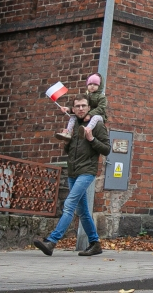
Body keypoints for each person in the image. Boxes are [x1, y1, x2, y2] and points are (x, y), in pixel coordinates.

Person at [33, 94, 110, 256]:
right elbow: (68, 152)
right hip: (73, 172)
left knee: (69, 205)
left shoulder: (97, 125)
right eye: (77, 106)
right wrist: (66, 141)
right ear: (73, 109)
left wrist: (91, 138)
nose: (80, 109)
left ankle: (52, 241)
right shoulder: (73, 124)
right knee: (82, 212)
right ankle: (95, 243)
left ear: (89, 107)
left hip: (87, 171)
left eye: (83, 106)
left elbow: (106, 149)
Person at [55, 73, 108, 141]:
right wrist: (69, 109)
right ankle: (68, 132)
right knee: (73, 117)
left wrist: (90, 114)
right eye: (90, 84)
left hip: (99, 115)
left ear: (99, 86)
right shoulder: (85, 95)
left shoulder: (101, 97)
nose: (92, 86)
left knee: (95, 118)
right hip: (87, 115)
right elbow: (79, 105)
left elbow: (101, 108)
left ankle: (86, 130)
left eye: (95, 84)